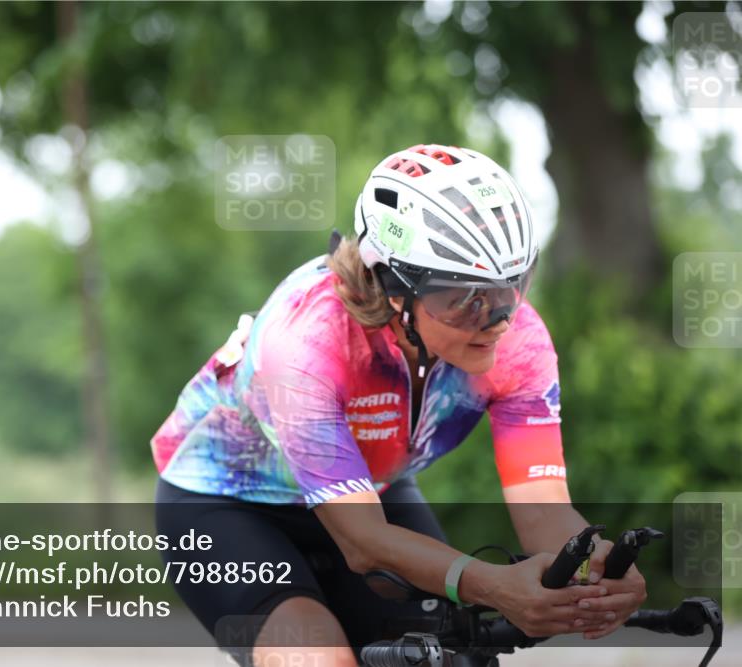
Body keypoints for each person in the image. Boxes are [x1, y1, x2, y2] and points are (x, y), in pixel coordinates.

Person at [151, 144, 647, 667]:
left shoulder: (518, 344)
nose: (497, 320)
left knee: (451, 658)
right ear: (394, 288)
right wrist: (495, 587)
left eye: (511, 287)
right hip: (225, 504)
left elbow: (544, 511)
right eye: (462, 297)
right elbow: (364, 543)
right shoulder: (306, 342)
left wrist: (598, 570)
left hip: (372, 491)